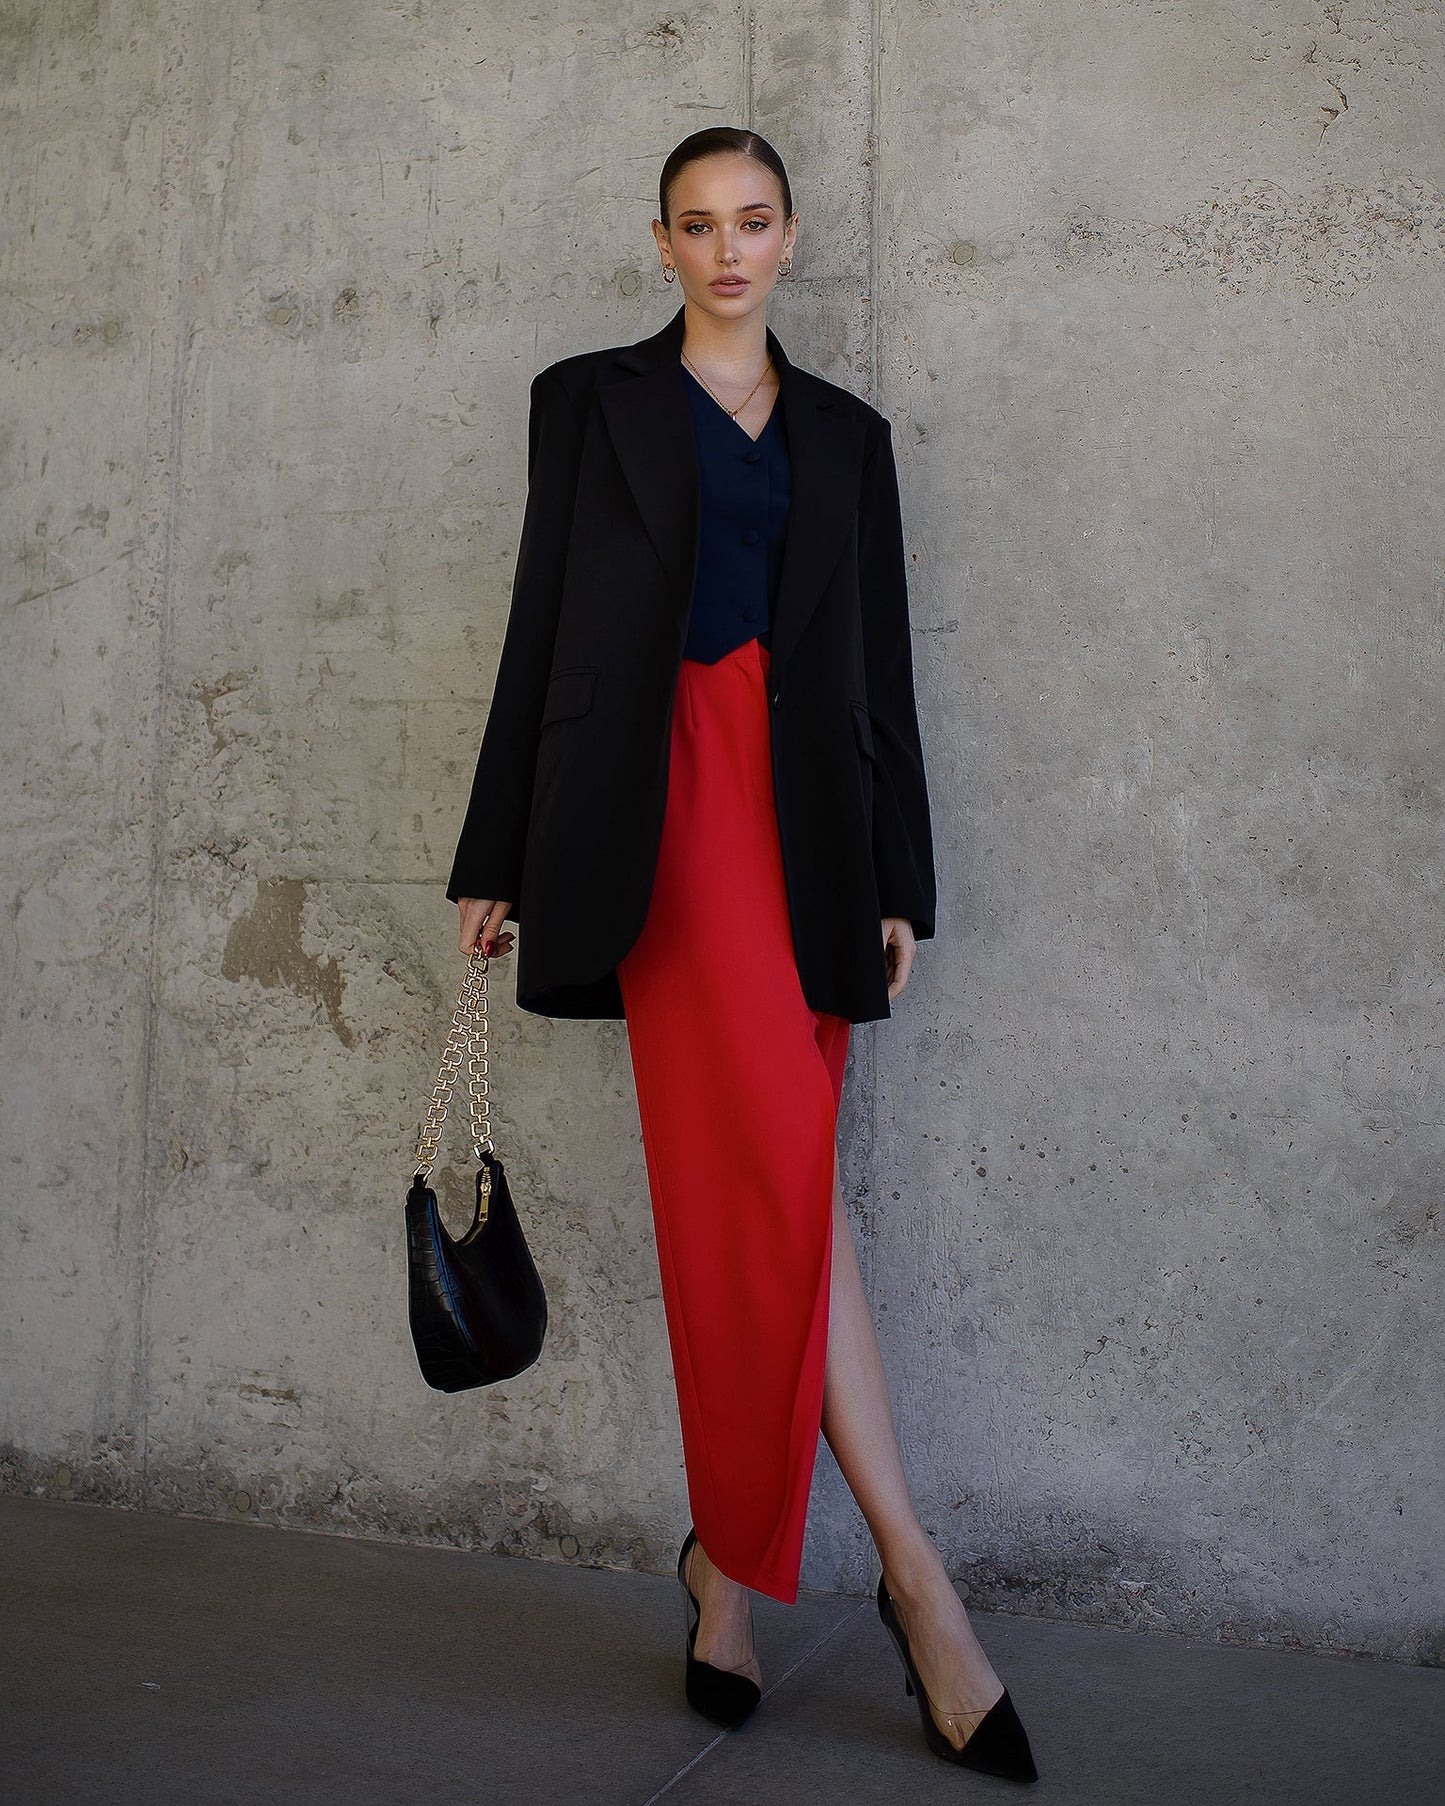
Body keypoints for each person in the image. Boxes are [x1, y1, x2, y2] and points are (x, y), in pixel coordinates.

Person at [445, 127, 1037, 1784]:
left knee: (781, 1192)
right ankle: (919, 1589)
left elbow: (876, 664)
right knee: (774, 1190)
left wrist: (897, 875)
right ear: (660, 243)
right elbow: (538, 617)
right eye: (696, 226)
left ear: (790, 236)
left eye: (753, 222)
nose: (726, 250)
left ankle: (726, 1575)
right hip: (658, 824)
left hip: (811, 838)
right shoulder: (591, 402)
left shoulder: (849, 436)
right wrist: (496, 851)